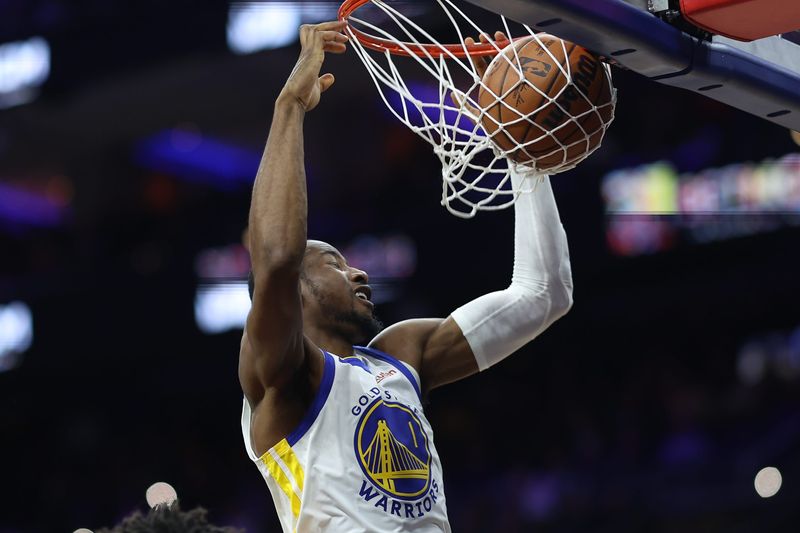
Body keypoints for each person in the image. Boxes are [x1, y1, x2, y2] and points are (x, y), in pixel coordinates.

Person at [239, 21, 573, 532]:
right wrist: (290, 107)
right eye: (334, 263)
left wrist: (524, 153)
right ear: (294, 296)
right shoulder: (282, 380)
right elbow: (277, 259)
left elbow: (545, 294)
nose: (359, 271)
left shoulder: (401, 355)